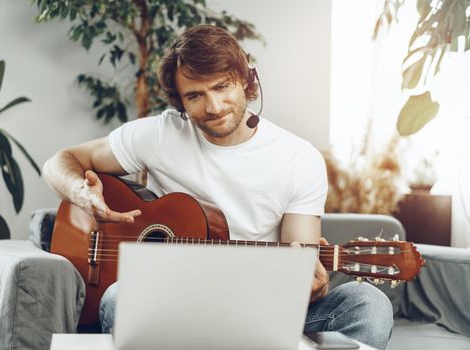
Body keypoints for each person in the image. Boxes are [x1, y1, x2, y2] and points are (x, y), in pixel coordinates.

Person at [43, 24, 393, 349]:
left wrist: (309, 288)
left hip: (261, 306)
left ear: (245, 80)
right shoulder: (160, 135)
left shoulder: (298, 159)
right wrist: (81, 193)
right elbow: (61, 161)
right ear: (180, 102)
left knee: (369, 304)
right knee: (122, 297)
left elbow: (300, 261)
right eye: (195, 96)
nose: (213, 107)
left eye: (221, 86)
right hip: (172, 304)